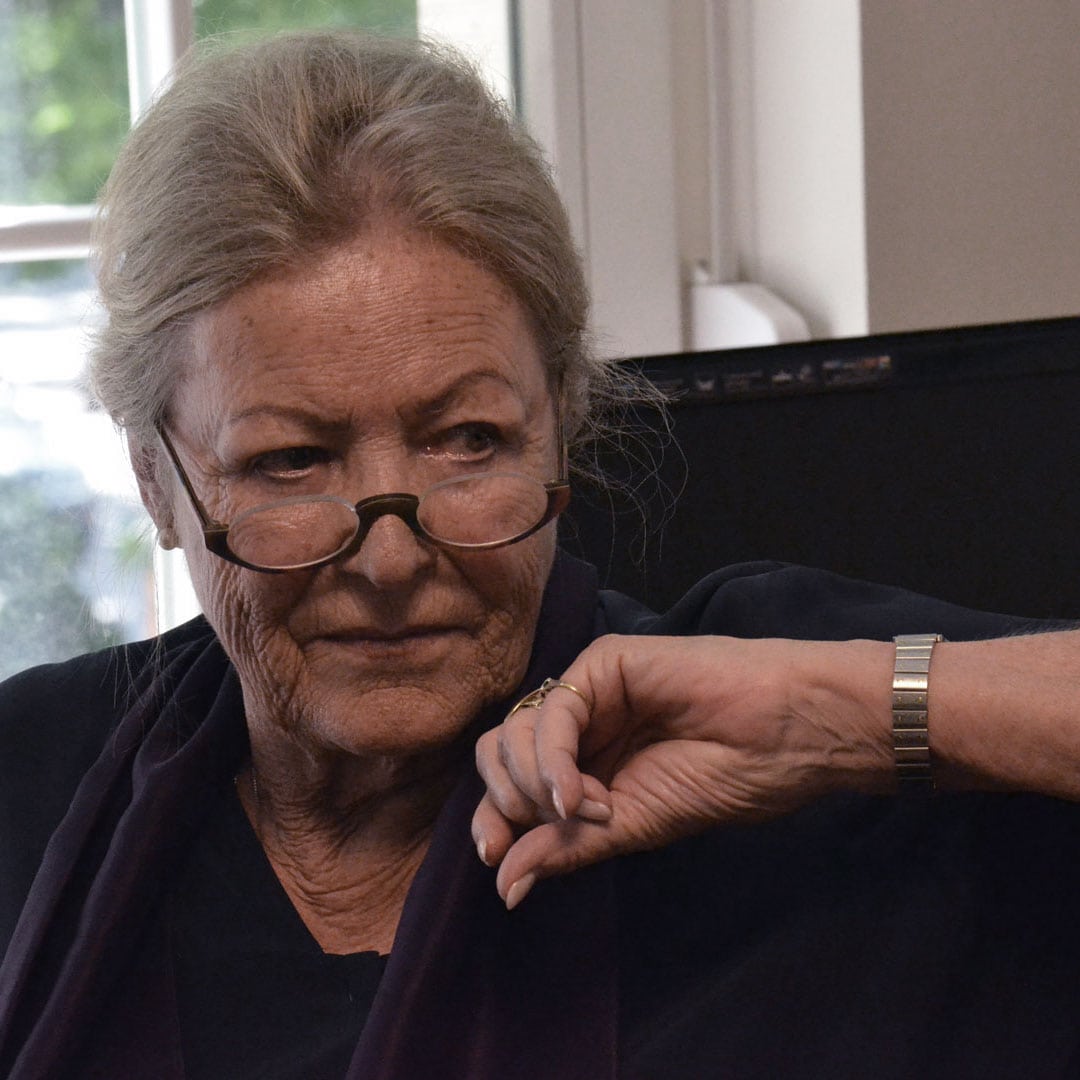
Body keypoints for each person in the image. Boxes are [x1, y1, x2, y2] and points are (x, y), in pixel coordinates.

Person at [1, 29, 1079, 1080]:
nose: (388, 563)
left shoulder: (783, 728)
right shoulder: (37, 776)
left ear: (560, 422)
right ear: (158, 481)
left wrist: (841, 712)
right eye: (290, 461)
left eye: (470, 440)